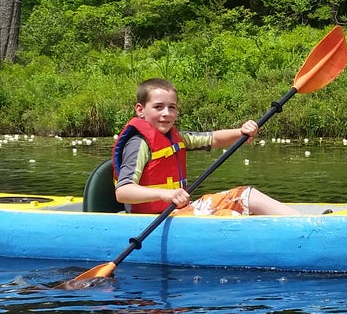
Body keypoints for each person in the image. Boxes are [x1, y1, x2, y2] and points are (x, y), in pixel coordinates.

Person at [112, 78, 295, 216]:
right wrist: (165, 194)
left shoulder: (175, 137)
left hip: (176, 211)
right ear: (140, 110)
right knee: (245, 197)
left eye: (172, 107)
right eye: (158, 107)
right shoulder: (139, 143)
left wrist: (241, 132)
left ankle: (304, 223)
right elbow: (123, 192)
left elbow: (213, 139)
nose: (166, 114)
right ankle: (307, 227)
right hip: (154, 219)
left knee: (245, 200)